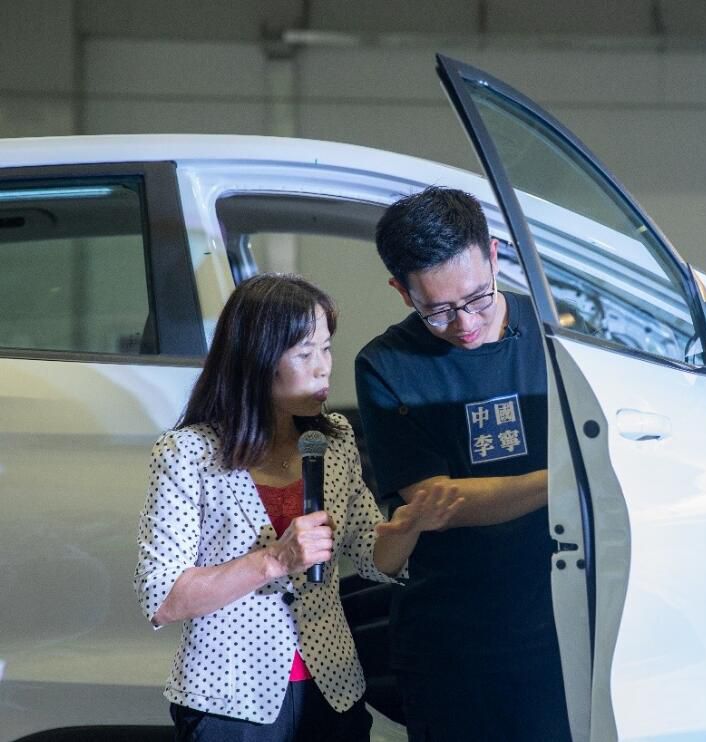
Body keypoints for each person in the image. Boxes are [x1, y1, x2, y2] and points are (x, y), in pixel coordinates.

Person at [134, 273, 461, 742]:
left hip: (333, 688)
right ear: (257, 360)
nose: (323, 367)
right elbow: (163, 599)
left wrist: (407, 527)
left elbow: (371, 556)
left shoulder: (333, 440)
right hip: (230, 698)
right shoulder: (187, 454)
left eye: (326, 349)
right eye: (305, 354)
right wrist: (275, 560)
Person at [355, 187, 570, 741]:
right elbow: (438, 502)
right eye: (438, 310)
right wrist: (570, 479)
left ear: (493, 256)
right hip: (451, 641)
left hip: (562, 627)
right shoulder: (386, 365)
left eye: (477, 297)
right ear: (401, 291)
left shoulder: (558, 337)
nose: (465, 323)